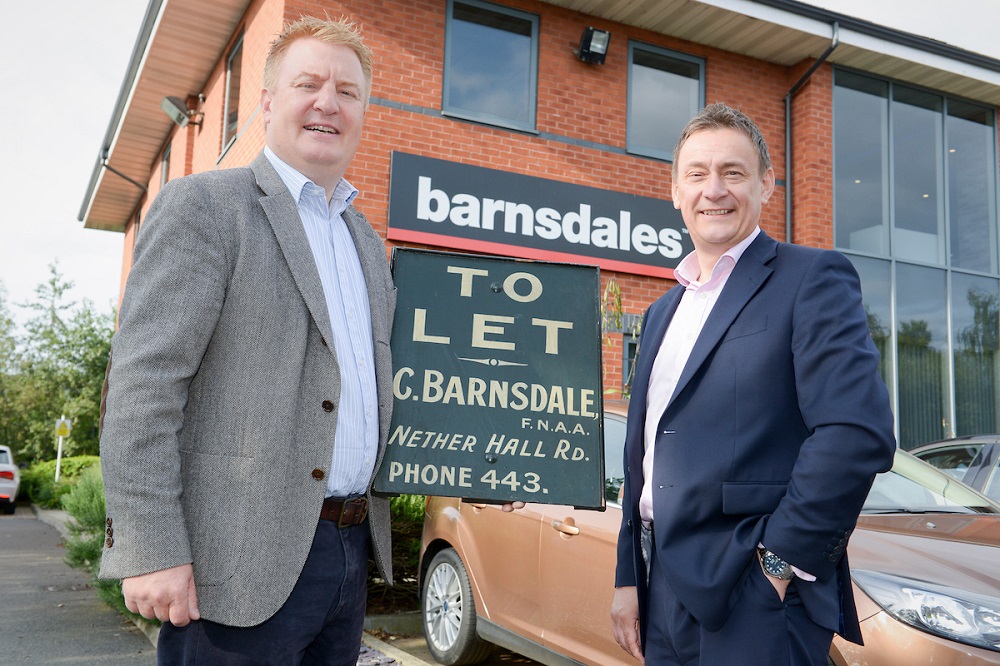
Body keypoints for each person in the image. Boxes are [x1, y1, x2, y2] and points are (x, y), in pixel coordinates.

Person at [99, 16, 395, 665]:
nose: (328, 102)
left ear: (363, 112)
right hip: (231, 565)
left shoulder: (366, 244)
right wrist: (151, 548)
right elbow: (142, 389)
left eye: (348, 91)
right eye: (308, 83)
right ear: (266, 102)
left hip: (347, 560)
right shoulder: (205, 208)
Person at [610, 103, 896, 665]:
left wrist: (778, 563)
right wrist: (629, 577)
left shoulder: (811, 278)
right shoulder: (662, 312)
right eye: (697, 174)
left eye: (732, 172)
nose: (713, 190)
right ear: (675, 191)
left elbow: (855, 432)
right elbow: (641, 453)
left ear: (766, 183)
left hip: (752, 593)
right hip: (660, 589)